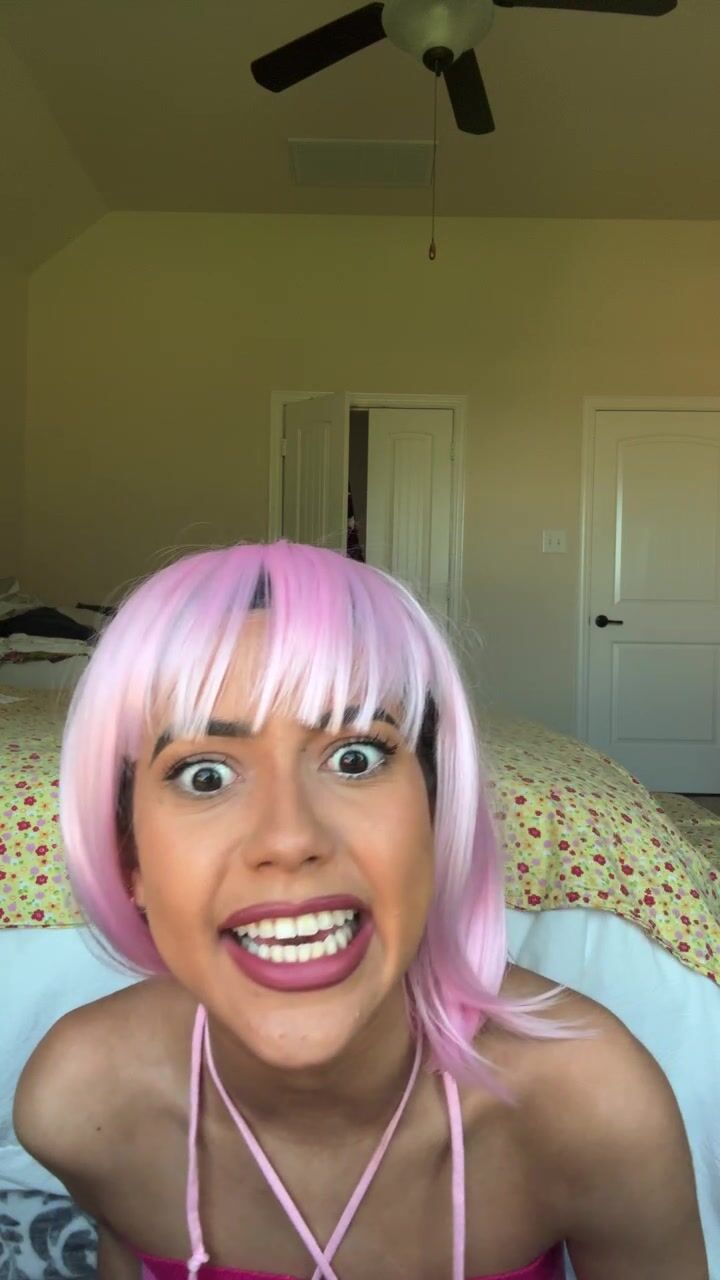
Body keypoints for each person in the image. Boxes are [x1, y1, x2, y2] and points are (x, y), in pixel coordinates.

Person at [14, 542, 706, 1280]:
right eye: (204, 775)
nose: (290, 838)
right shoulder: (79, 1104)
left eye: (356, 758)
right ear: (130, 860)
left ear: (438, 814)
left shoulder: (595, 1106)